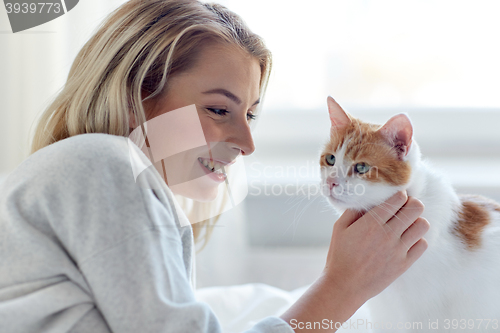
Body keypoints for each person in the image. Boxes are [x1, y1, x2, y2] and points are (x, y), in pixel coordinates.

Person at [0, 0, 429, 332]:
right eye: (219, 110)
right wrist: (341, 288)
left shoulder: (108, 189)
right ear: (135, 95)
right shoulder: (100, 165)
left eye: (251, 116)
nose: (246, 144)